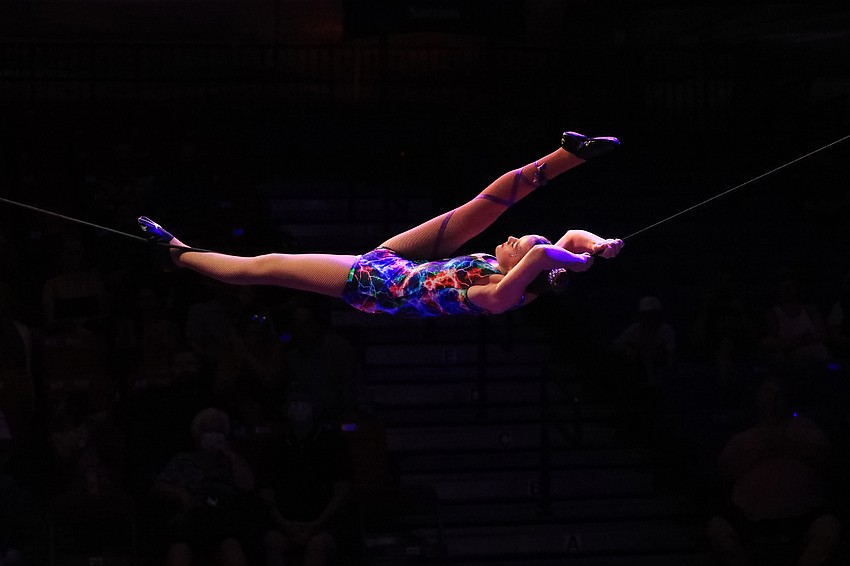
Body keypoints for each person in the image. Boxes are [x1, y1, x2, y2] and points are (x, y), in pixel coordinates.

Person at [138, 131, 624, 317]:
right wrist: (597, 246)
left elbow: (541, 260)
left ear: (524, 269)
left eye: (522, 247)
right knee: (487, 204)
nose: (518, 240)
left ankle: (181, 254)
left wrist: (555, 256)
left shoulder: (495, 295)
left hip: (373, 284)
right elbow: (565, 244)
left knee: (263, 266)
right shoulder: (519, 271)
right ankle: (565, 157)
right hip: (400, 260)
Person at [706, 379, 842, 566]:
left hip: (804, 512)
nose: (774, 398)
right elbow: (725, 472)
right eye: (768, 392)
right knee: (718, 529)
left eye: (778, 393)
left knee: (828, 529)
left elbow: (824, 461)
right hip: (750, 514)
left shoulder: (807, 430)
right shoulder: (742, 436)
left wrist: (790, 444)